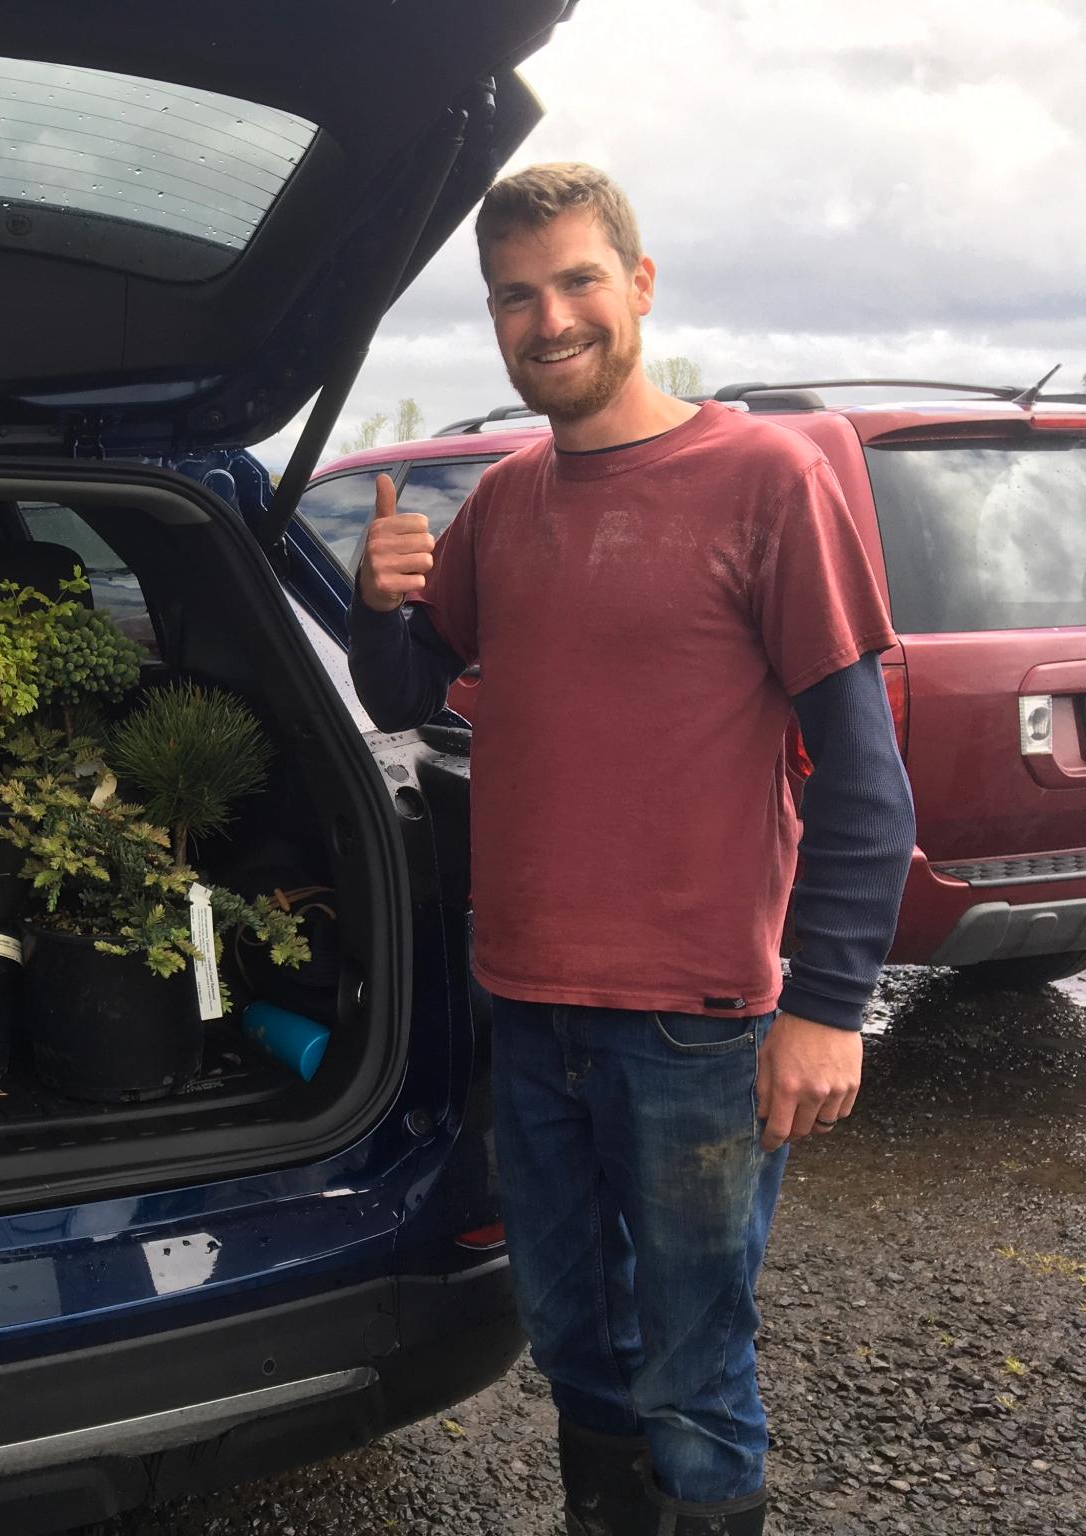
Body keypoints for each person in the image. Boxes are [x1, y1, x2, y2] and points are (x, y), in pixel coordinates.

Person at [348, 164, 915, 1536]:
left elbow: (867, 779)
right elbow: (404, 692)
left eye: (578, 281)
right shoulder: (506, 501)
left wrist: (829, 1006)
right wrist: (378, 607)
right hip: (528, 1004)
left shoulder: (768, 479)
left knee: (692, 1370)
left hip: (696, 1028)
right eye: (515, 297)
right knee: (569, 1337)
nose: (549, 321)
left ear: (641, 284)